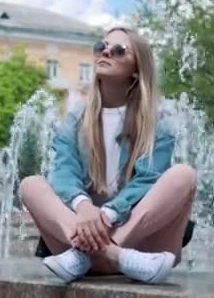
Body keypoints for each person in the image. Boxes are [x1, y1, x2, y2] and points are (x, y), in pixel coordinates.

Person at [20, 26, 197, 284]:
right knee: (31, 185)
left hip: (141, 247)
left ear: (137, 69)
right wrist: (84, 206)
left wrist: (106, 215)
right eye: (101, 46)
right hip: (79, 242)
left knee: (184, 175)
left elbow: (148, 179)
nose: (106, 52)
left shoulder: (158, 122)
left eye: (119, 50)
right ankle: (108, 254)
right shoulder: (75, 120)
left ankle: (103, 252)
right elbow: (63, 173)